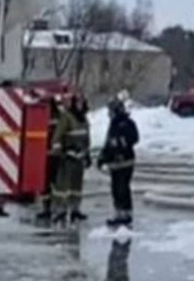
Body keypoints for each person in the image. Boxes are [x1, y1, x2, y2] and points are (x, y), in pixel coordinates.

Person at [49, 91, 91, 225]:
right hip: (67, 157)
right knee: (63, 187)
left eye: (81, 103)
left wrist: (87, 154)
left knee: (76, 187)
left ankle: (75, 210)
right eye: (77, 102)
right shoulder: (66, 117)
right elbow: (57, 137)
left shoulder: (84, 119)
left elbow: (86, 138)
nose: (79, 105)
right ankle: (60, 210)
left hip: (79, 158)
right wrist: (60, 152)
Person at [97, 96, 140, 227]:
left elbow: (134, 138)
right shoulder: (114, 124)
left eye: (111, 111)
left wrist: (122, 145)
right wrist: (102, 158)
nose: (109, 114)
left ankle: (125, 214)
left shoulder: (127, 124)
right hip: (115, 165)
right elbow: (109, 143)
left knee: (122, 189)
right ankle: (119, 213)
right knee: (116, 189)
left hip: (125, 162)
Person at [35, 93, 64, 225]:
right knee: (47, 184)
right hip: (48, 155)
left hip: (53, 155)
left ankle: (54, 208)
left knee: (53, 183)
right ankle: (50, 207)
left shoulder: (56, 117)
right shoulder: (58, 117)